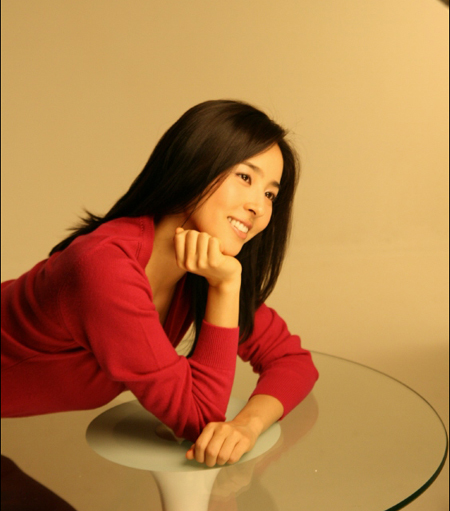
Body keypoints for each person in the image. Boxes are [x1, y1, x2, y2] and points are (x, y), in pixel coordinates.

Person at [1, 99, 318, 467]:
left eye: (270, 194)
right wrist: (226, 287)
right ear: (196, 165)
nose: (259, 207)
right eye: (245, 177)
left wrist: (246, 426)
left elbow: (292, 361)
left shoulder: (199, 268)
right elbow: (198, 417)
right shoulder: (105, 267)